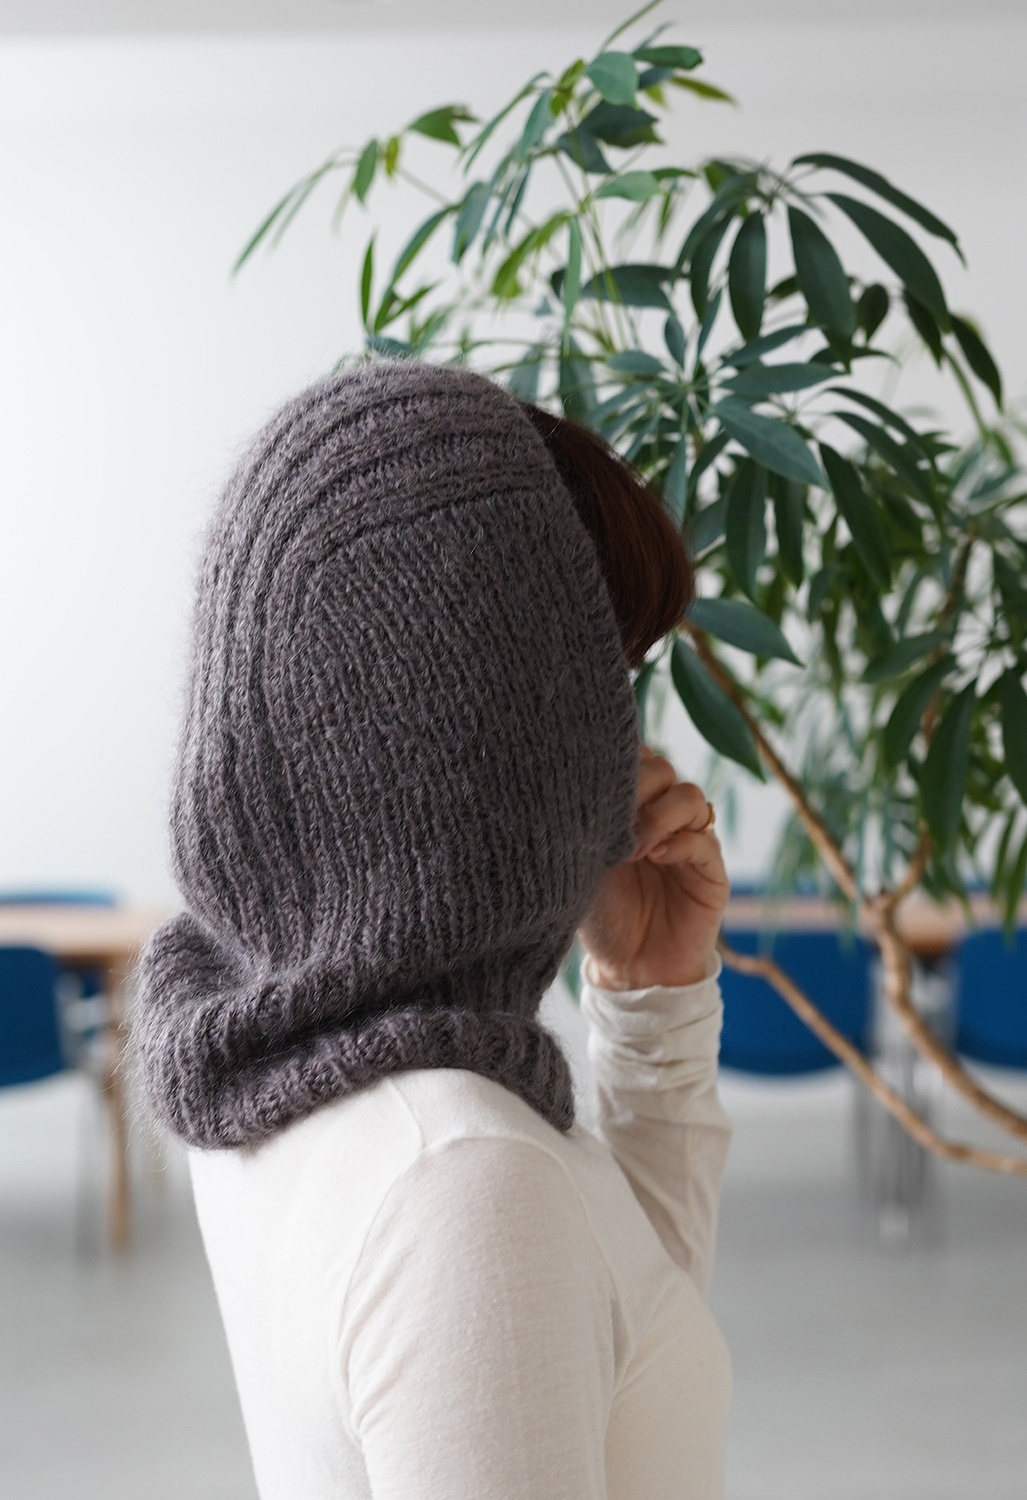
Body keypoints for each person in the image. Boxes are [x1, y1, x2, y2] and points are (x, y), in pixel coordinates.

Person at [134, 360, 732, 1499]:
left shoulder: (261, 1054)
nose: (624, 748)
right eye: (604, 686)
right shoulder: (464, 1177)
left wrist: (654, 993)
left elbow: (618, 1346)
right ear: (496, 725)